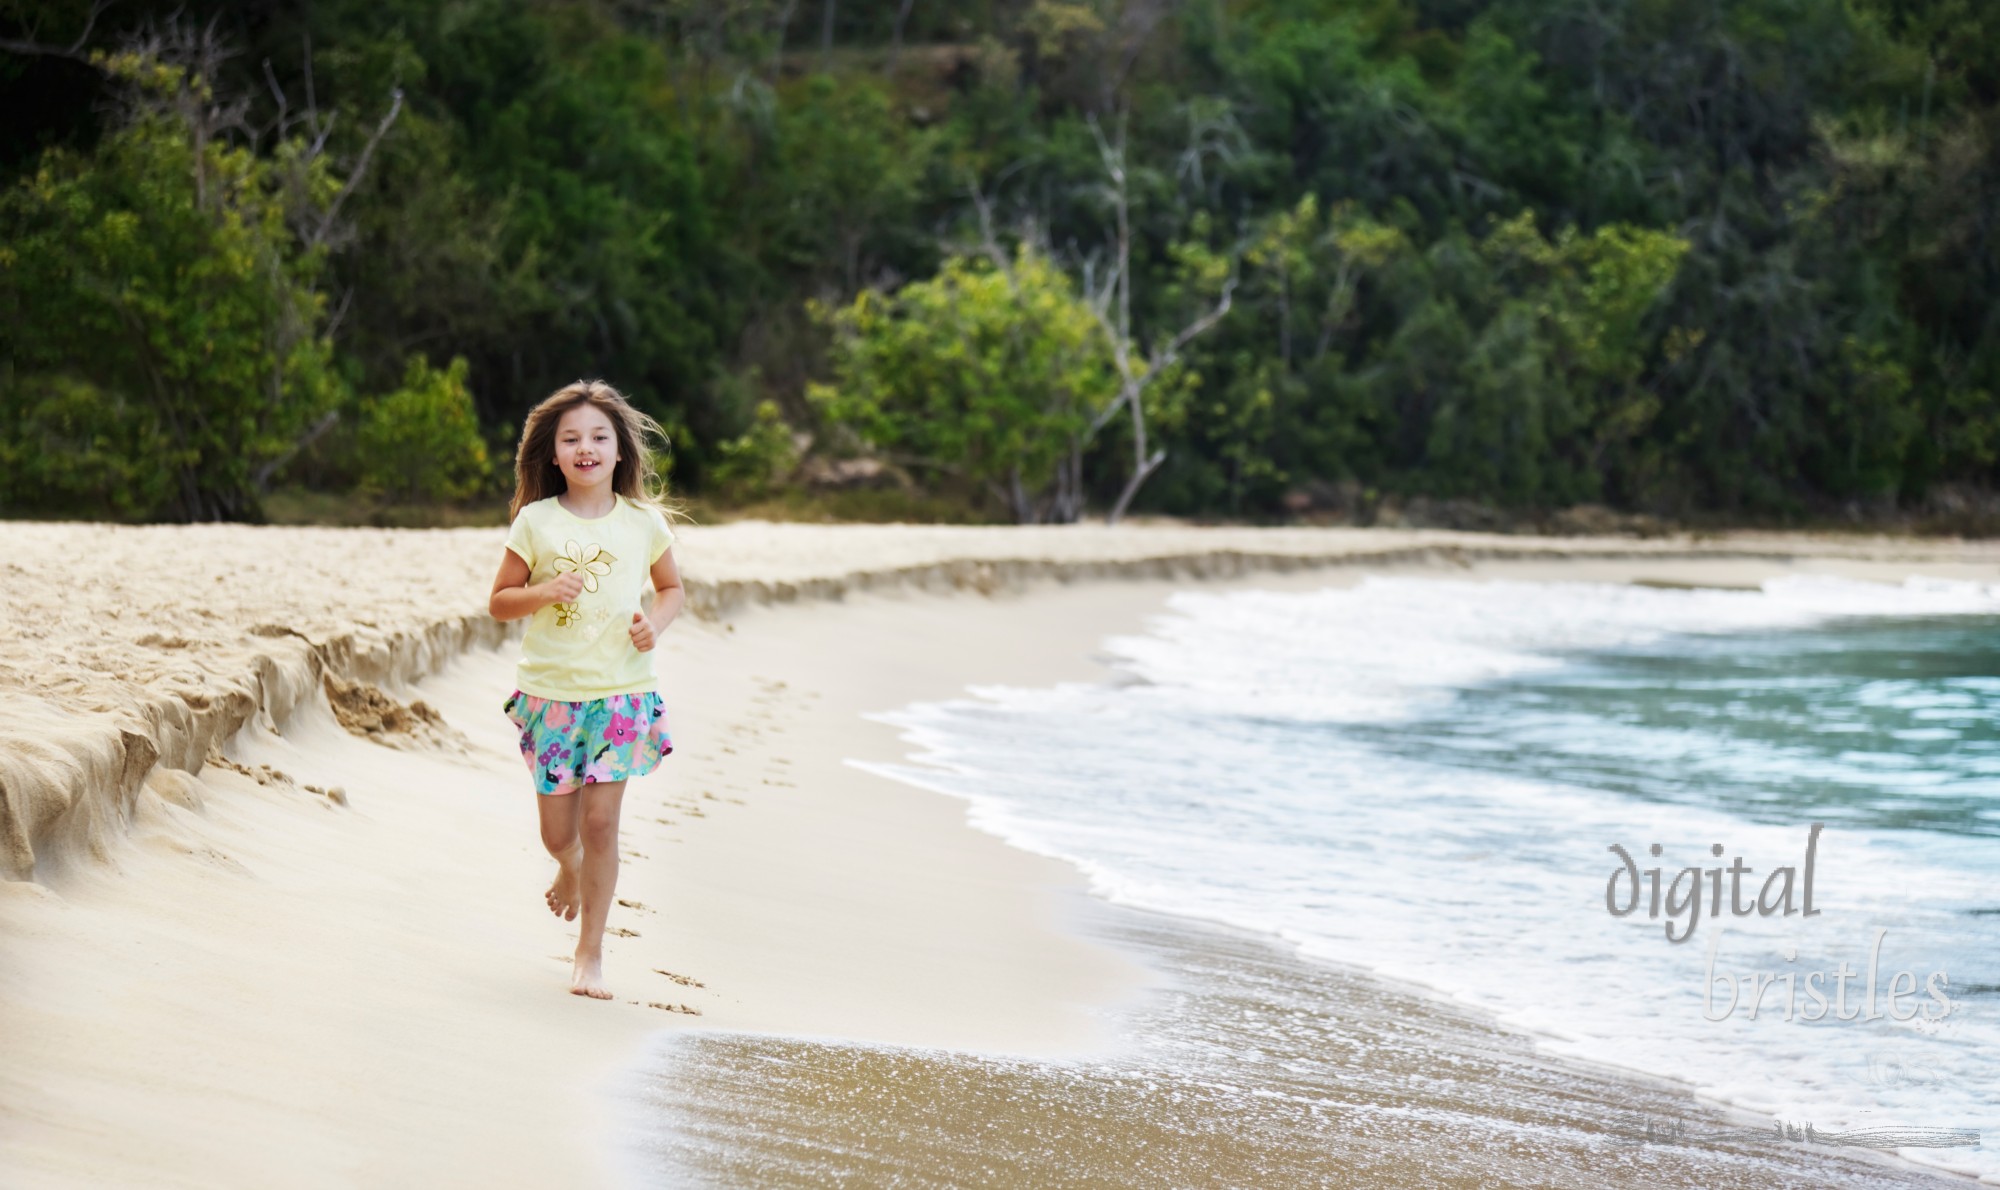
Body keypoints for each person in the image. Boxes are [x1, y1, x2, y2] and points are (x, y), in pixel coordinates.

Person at [488, 379, 684, 1000]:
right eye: (571, 438)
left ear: (620, 451)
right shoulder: (535, 521)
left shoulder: (644, 524)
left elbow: (672, 590)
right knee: (558, 834)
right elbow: (499, 603)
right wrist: (543, 592)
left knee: (602, 825)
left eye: (599, 436)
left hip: (622, 695)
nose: (586, 447)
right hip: (551, 696)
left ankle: (590, 954)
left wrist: (654, 625)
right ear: (553, 454)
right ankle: (567, 868)